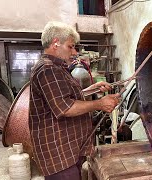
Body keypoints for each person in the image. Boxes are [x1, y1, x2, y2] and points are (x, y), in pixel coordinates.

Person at [29, 21, 120, 180]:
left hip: (68, 149)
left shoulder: (57, 67)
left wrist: (94, 88)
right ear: (56, 43)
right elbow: (65, 108)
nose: (74, 52)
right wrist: (99, 103)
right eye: (70, 46)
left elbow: (62, 98)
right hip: (58, 154)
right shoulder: (47, 69)